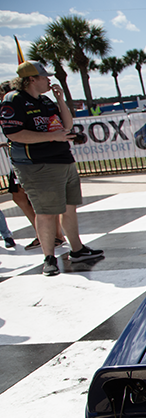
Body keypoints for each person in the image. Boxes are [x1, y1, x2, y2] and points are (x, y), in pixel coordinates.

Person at [1, 61, 103, 276]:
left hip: (62, 159)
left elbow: (65, 126)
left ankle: (77, 249)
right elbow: (13, 134)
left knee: (69, 206)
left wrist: (60, 99)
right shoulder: (14, 100)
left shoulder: (46, 100)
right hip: (37, 165)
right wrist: (52, 137)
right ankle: (49, 257)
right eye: (44, 76)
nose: (49, 80)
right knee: (46, 212)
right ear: (31, 79)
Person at [0, 80, 65, 251]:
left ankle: (51, 235)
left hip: (26, 159)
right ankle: (49, 234)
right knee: (23, 197)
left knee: (32, 199)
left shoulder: (16, 104)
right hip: (22, 158)